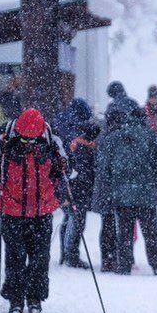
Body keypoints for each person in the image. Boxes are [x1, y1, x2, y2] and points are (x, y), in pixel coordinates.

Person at [0, 108, 67, 313]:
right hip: (12, 210)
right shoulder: (4, 137)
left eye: (33, 141)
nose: (29, 145)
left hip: (42, 211)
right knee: (15, 256)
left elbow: (71, 171)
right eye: (24, 141)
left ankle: (35, 299)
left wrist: (63, 166)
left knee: (40, 258)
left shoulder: (52, 139)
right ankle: (15, 299)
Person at [93, 108, 157, 275]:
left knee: (125, 232)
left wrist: (108, 188)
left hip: (122, 195)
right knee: (151, 232)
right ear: (144, 120)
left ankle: (125, 265)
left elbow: (104, 166)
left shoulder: (115, 138)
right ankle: (156, 265)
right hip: (146, 193)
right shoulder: (151, 137)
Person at [53, 98, 94, 265]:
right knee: (77, 218)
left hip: (62, 180)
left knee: (69, 217)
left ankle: (66, 253)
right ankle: (72, 255)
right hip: (75, 181)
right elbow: (79, 158)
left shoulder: (61, 125)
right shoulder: (77, 130)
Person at [62, 122, 101, 269]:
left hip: (76, 190)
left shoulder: (76, 146)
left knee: (74, 223)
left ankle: (67, 255)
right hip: (79, 191)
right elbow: (83, 172)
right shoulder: (84, 148)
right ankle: (71, 256)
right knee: (77, 223)